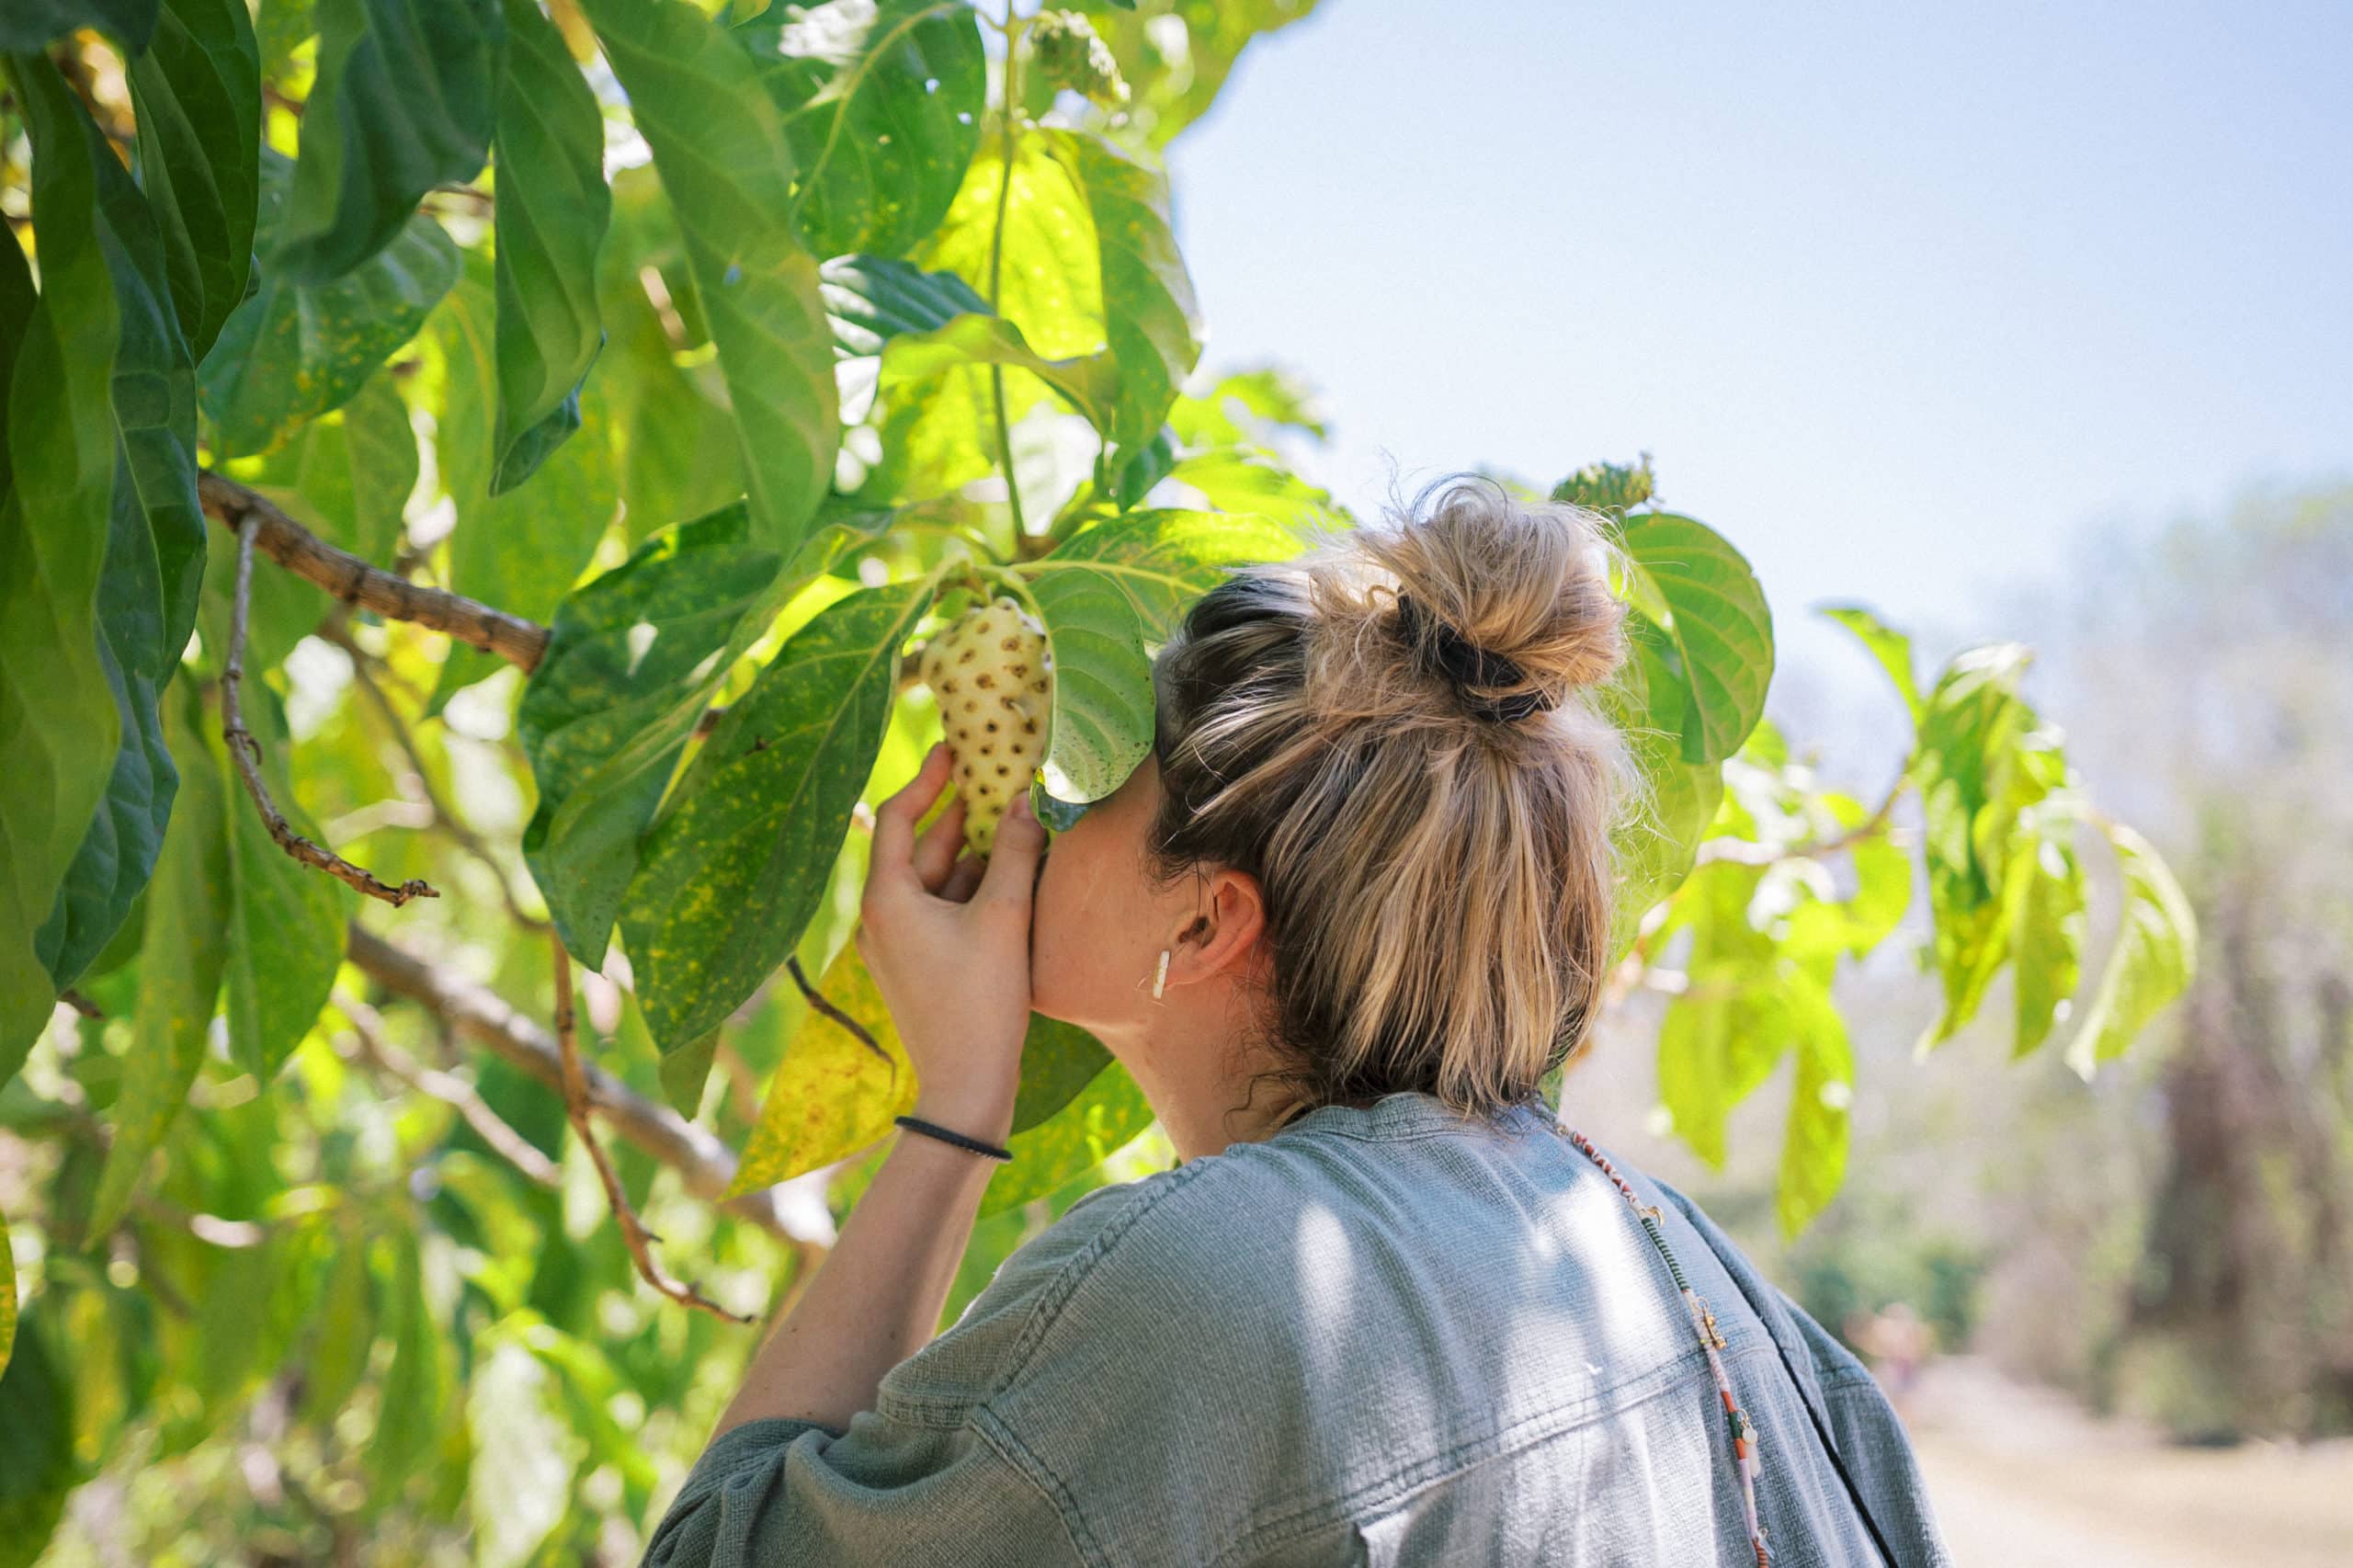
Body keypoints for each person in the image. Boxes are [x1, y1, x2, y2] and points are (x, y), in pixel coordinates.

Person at [640, 473, 1955, 1567]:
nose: (1045, 813)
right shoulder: (1702, 1269)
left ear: (1207, 923)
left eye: (1103, 787)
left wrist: (953, 1112)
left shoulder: (1198, 1289)